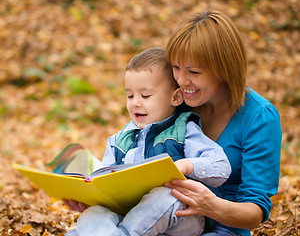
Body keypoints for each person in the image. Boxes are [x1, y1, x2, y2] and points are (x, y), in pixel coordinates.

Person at [65, 47, 232, 236]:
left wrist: (186, 165)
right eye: (130, 95)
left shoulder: (184, 130)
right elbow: (102, 183)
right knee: (93, 214)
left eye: (145, 96)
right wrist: (89, 196)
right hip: (129, 214)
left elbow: (221, 167)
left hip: (179, 216)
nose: (135, 102)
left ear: (175, 97)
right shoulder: (120, 140)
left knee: (164, 196)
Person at [164, 10, 282, 236]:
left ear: (224, 69)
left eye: (194, 71)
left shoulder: (259, 117)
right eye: (176, 67)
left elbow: (254, 213)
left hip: (223, 230)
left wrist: (211, 206)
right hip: (166, 221)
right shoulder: (177, 101)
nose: (181, 80)